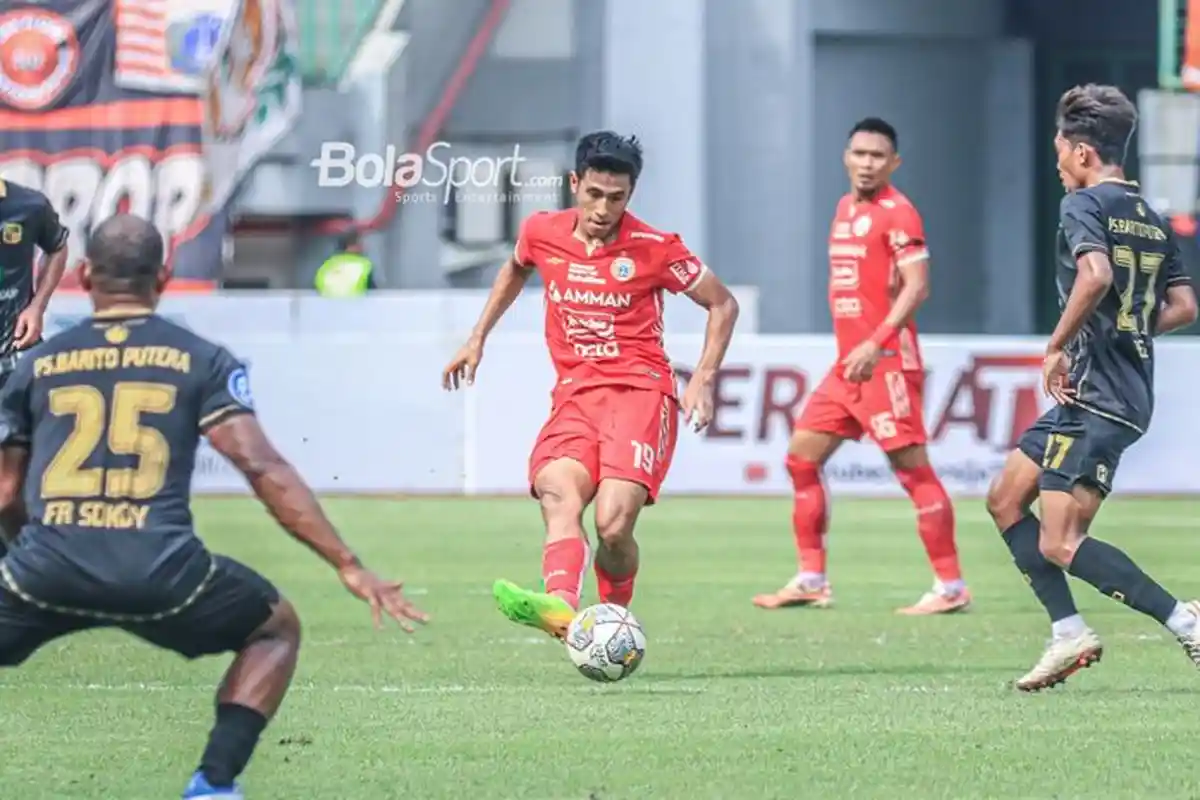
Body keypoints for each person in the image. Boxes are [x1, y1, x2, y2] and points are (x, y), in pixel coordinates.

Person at [0, 214, 428, 798]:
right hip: (160, 571)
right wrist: (347, 563)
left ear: (84, 275)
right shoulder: (199, 358)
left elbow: (6, 493)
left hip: (45, 570)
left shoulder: (36, 365)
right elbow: (262, 467)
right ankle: (214, 782)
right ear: (164, 277)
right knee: (275, 628)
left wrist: (27, 551)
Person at [442, 131, 739, 637]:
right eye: (594, 194)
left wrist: (704, 379)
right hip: (576, 396)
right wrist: (477, 338)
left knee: (613, 526)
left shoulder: (657, 248)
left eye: (616, 198)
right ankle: (560, 607)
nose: (603, 209)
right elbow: (515, 269)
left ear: (631, 194)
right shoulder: (541, 231)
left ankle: (614, 618)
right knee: (557, 492)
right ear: (574, 183)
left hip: (640, 394)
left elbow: (723, 303)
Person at [986, 84, 1200, 692]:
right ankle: (1067, 631)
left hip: (1097, 395)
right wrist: (1126, 328)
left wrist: (1057, 345)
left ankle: (1184, 620)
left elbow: (1096, 273)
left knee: (1060, 541)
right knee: (1006, 499)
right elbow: (1185, 305)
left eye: (1059, 151)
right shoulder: (1150, 216)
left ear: (1081, 152)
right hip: (1117, 391)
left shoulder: (1083, 204)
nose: (1057, 162)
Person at [752, 118, 967, 615]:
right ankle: (811, 579)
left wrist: (876, 342)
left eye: (877, 156)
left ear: (894, 163)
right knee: (801, 459)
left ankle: (951, 586)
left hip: (887, 363)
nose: (867, 163)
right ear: (846, 157)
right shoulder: (844, 209)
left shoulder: (900, 213)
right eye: (860, 153)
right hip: (849, 366)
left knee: (913, 471)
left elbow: (918, 286)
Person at [0, 178, 69, 558]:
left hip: (13, 364)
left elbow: (57, 247)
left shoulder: (27, 205)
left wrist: (36, 307)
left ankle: (31, 565)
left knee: (9, 493)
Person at [314, 231, 375, 297]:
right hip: (355, 302)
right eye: (360, 243)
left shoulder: (327, 264)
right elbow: (374, 293)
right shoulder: (364, 264)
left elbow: (317, 287)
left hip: (327, 302)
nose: (364, 247)